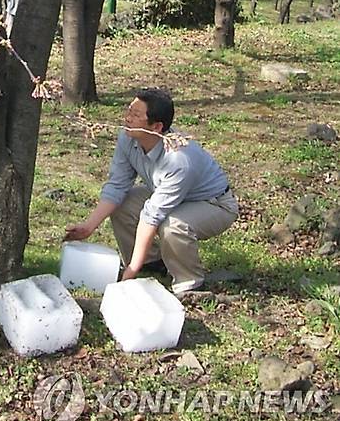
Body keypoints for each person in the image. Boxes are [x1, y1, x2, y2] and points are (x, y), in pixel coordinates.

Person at [65, 88, 238, 295]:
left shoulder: (179, 160)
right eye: (129, 111)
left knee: (173, 225)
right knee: (124, 204)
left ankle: (189, 284)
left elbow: (152, 215)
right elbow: (117, 185)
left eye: (136, 115)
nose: (127, 119)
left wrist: (131, 270)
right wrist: (89, 226)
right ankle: (151, 263)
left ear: (156, 127)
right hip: (171, 196)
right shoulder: (128, 138)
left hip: (214, 204)